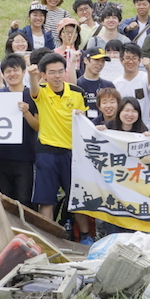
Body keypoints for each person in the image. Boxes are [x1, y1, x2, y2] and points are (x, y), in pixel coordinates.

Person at [27, 52, 87, 224]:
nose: (57, 76)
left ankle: (84, 236)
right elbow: (33, 90)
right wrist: (32, 76)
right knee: (46, 200)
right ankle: (48, 236)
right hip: (47, 152)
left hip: (72, 153)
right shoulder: (42, 92)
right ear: (43, 75)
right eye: (52, 72)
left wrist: (82, 115)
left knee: (77, 199)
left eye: (60, 71)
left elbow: (85, 123)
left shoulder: (77, 93)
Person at [0, 54, 40, 206]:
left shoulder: (32, 95)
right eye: (8, 71)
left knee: (24, 199)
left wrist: (26, 112)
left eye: (15, 70)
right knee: (4, 200)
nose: (12, 74)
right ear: (3, 75)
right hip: (0, 156)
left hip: (24, 157)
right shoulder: (0, 94)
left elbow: (37, 126)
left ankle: (25, 230)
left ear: (23, 72)